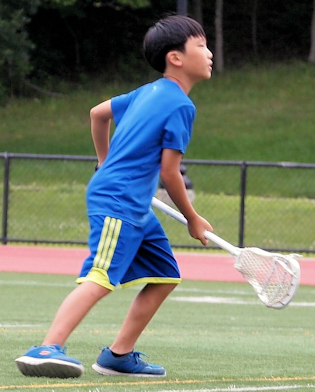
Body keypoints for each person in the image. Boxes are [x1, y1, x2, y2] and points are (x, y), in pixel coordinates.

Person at [15, 14, 214, 379]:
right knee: (101, 274)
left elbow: (97, 114)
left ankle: (118, 355)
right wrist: (192, 218)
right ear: (176, 57)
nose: (210, 52)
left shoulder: (146, 92)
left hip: (134, 203)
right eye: (201, 45)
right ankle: (47, 347)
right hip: (119, 199)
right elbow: (170, 173)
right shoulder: (182, 106)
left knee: (165, 274)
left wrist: (103, 160)